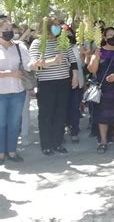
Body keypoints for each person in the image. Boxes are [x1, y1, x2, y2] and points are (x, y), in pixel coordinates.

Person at [29, 17, 79, 156]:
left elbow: (72, 60)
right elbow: (33, 65)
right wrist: (52, 61)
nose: (58, 27)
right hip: (46, 84)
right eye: (55, 25)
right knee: (46, 114)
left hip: (63, 82)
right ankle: (46, 144)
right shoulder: (38, 43)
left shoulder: (63, 41)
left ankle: (57, 142)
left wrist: (74, 76)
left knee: (60, 113)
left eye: (59, 25)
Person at [87, 27, 114, 154]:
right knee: (102, 116)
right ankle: (103, 141)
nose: (113, 37)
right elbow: (92, 70)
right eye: (110, 35)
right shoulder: (99, 51)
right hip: (103, 89)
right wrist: (96, 58)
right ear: (104, 38)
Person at [0, 15, 30, 164]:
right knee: (1, 124)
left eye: (10, 28)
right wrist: (9, 74)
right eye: (5, 29)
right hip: (1, 94)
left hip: (18, 92)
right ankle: (0, 154)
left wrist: (42, 62)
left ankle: (12, 152)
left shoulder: (19, 46)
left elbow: (28, 65)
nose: (9, 31)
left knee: (14, 123)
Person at [63, 25, 86, 144]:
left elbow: (81, 66)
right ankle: (63, 129)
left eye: (69, 33)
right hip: (61, 83)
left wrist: (84, 56)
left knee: (74, 108)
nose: (67, 36)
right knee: (62, 108)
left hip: (76, 83)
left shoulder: (76, 48)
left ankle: (74, 132)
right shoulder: (58, 48)